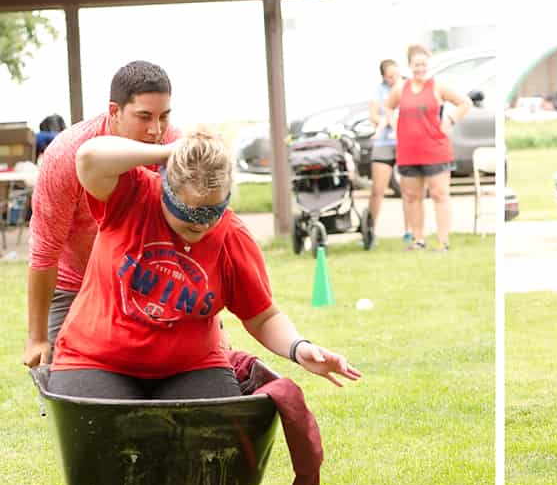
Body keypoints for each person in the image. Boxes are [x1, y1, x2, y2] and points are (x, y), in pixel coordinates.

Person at [46, 128, 361, 416]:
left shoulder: (232, 238)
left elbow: (262, 316)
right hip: (95, 359)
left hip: (190, 366)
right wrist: (168, 152)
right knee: (105, 439)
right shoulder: (133, 195)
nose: (202, 226)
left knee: (214, 442)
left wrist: (299, 348)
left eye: (212, 214)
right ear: (165, 191)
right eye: (188, 217)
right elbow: (88, 157)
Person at [21, 62, 200, 485]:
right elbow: (43, 252)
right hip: (74, 282)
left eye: (164, 117)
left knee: (173, 386)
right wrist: (38, 336)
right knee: (78, 400)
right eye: (145, 117)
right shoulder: (66, 156)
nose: (158, 129)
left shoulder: (168, 146)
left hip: (137, 281)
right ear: (113, 112)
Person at [385, 43, 472, 252]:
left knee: (439, 194)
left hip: (435, 149)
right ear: (409, 65)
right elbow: (388, 107)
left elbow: (465, 103)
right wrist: (394, 125)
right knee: (412, 196)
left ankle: (443, 242)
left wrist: (449, 120)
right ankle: (418, 239)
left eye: (423, 64)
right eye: (416, 64)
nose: (420, 69)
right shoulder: (401, 88)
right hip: (408, 151)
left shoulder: (437, 86)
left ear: (428, 65)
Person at [368, 57, 400, 246]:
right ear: (383, 77)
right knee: (377, 190)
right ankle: (370, 230)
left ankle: (409, 233)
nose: (394, 79)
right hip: (383, 144)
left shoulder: (406, 87)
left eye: (396, 74)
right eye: (390, 76)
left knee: (409, 192)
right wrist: (384, 121)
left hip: (403, 142)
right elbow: (373, 115)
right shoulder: (378, 92)